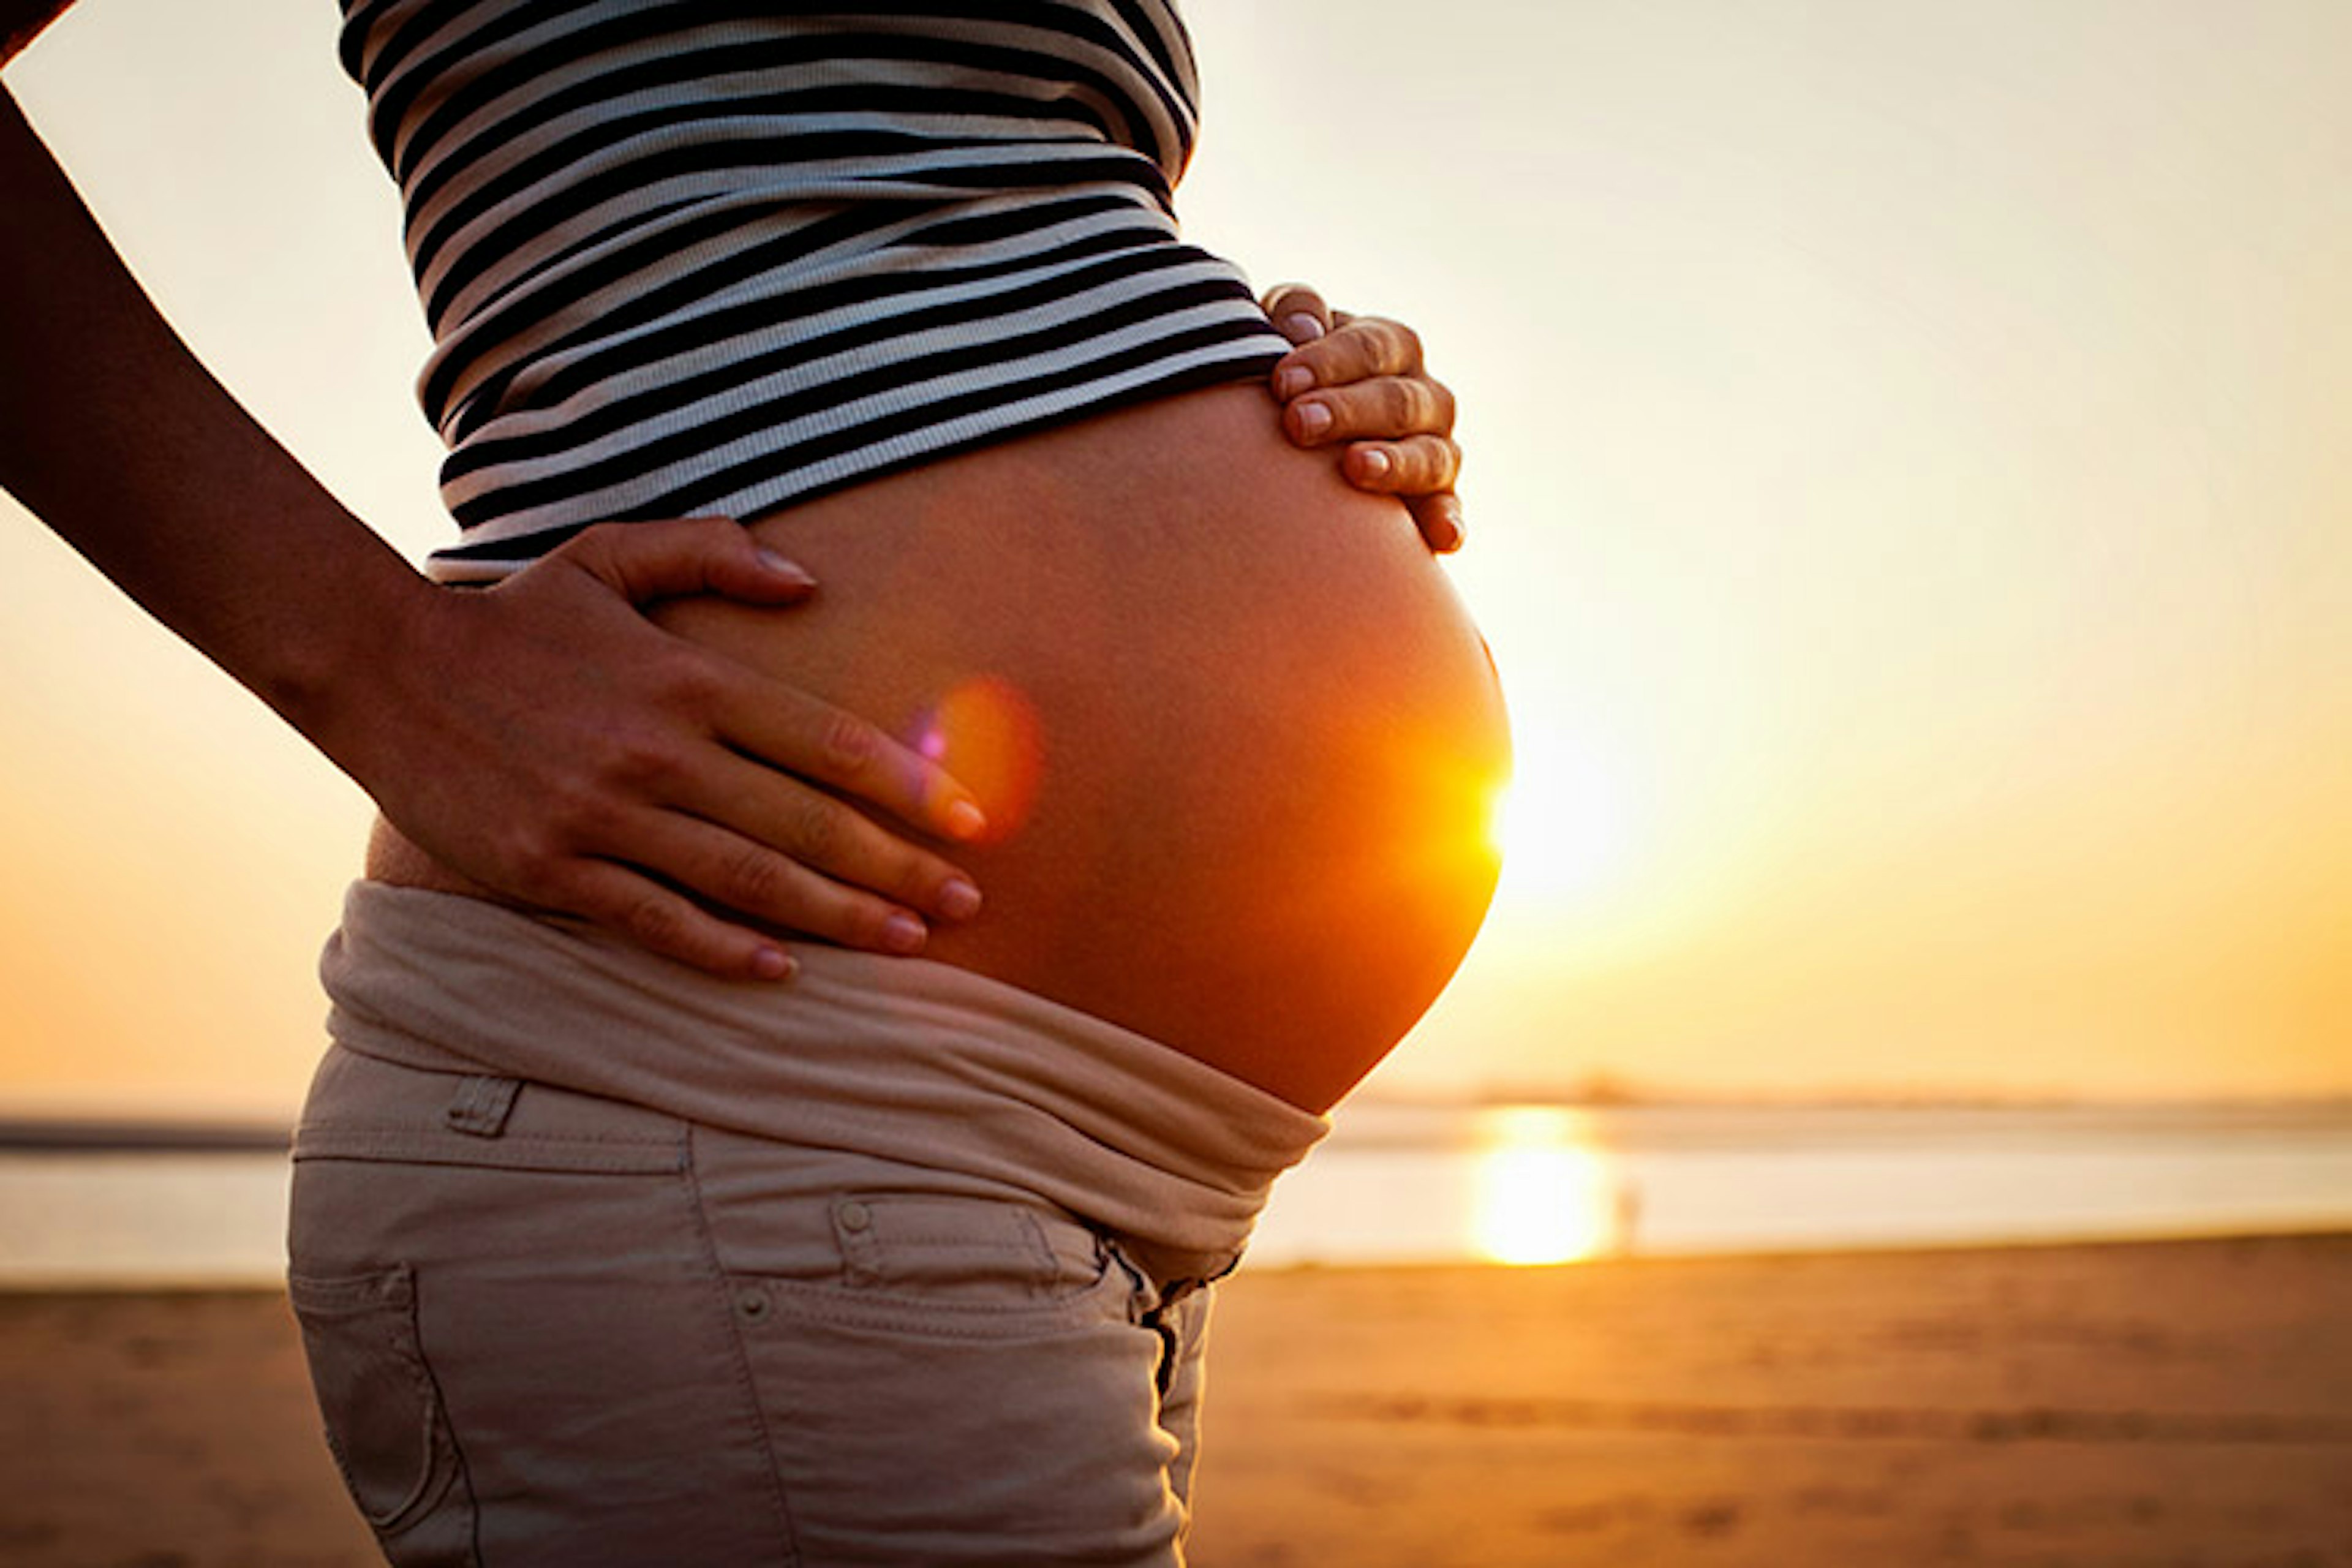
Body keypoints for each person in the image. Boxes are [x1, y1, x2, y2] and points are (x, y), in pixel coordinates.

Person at [2, 4, 1510, 1564]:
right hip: (726, 1090)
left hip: (1069, 1170)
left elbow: (921, 211)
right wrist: (381, 663)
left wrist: (1253, 364)